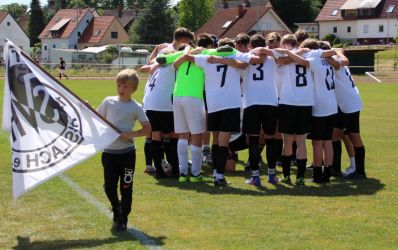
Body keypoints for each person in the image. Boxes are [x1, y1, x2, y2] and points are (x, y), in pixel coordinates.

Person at [97, 69, 151, 231]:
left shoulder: (136, 107)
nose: (121, 89)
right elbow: (97, 119)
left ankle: (123, 218)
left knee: (126, 187)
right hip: (109, 153)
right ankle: (116, 208)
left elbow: (147, 129)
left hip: (127, 154)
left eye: (126, 86)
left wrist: (131, 134)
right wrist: (87, 108)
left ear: (133, 89)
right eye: (119, 85)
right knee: (109, 187)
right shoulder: (108, 102)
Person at [273, 35, 314, 186]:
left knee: (288, 141)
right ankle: (300, 177)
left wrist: (290, 54)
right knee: (301, 141)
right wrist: (299, 52)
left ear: (284, 45)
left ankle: (286, 176)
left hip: (287, 102)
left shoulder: (284, 54)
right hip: (305, 102)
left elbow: (280, 60)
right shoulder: (307, 53)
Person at [241, 34, 278, 186]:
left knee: (254, 141)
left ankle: (256, 176)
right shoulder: (272, 57)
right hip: (270, 102)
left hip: (251, 102)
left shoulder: (245, 57)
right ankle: (271, 174)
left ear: (250, 45)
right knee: (270, 140)